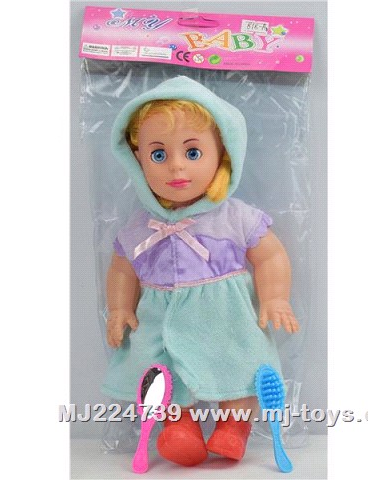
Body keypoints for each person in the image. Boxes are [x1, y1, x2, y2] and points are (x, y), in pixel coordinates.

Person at [101, 76, 299, 466]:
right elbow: (122, 269)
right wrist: (120, 309)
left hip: (226, 316)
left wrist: (275, 297)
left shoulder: (235, 216)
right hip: (161, 318)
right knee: (162, 373)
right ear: (137, 161)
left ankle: (234, 427)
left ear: (222, 154)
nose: (176, 165)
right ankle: (179, 428)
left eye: (192, 152)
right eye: (159, 155)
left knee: (241, 363)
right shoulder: (140, 226)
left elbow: (271, 256)